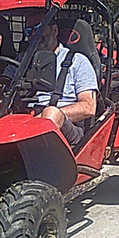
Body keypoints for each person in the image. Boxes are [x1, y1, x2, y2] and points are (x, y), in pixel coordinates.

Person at [20, 10, 99, 145]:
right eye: (29, 31)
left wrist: (43, 119)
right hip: (25, 120)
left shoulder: (77, 61)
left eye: (39, 27)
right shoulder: (22, 61)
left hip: (67, 127)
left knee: (52, 113)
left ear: (55, 30)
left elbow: (89, 107)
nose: (34, 34)